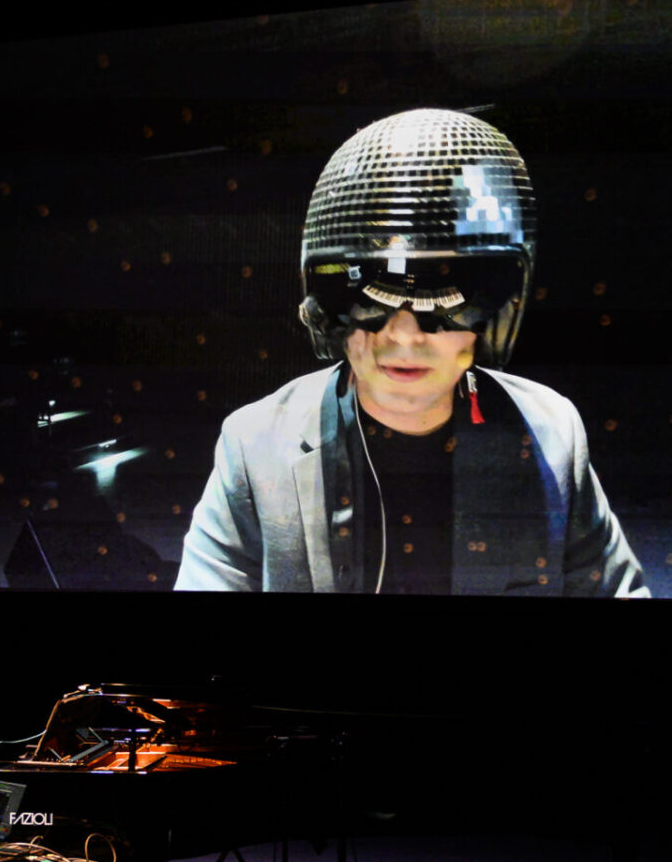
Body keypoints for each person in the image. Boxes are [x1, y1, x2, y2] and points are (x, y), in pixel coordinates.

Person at [176, 108, 647, 596]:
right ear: (328, 312)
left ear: (491, 317)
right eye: (373, 301)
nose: (403, 336)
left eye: (441, 303)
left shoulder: (551, 435)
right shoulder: (255, 447)